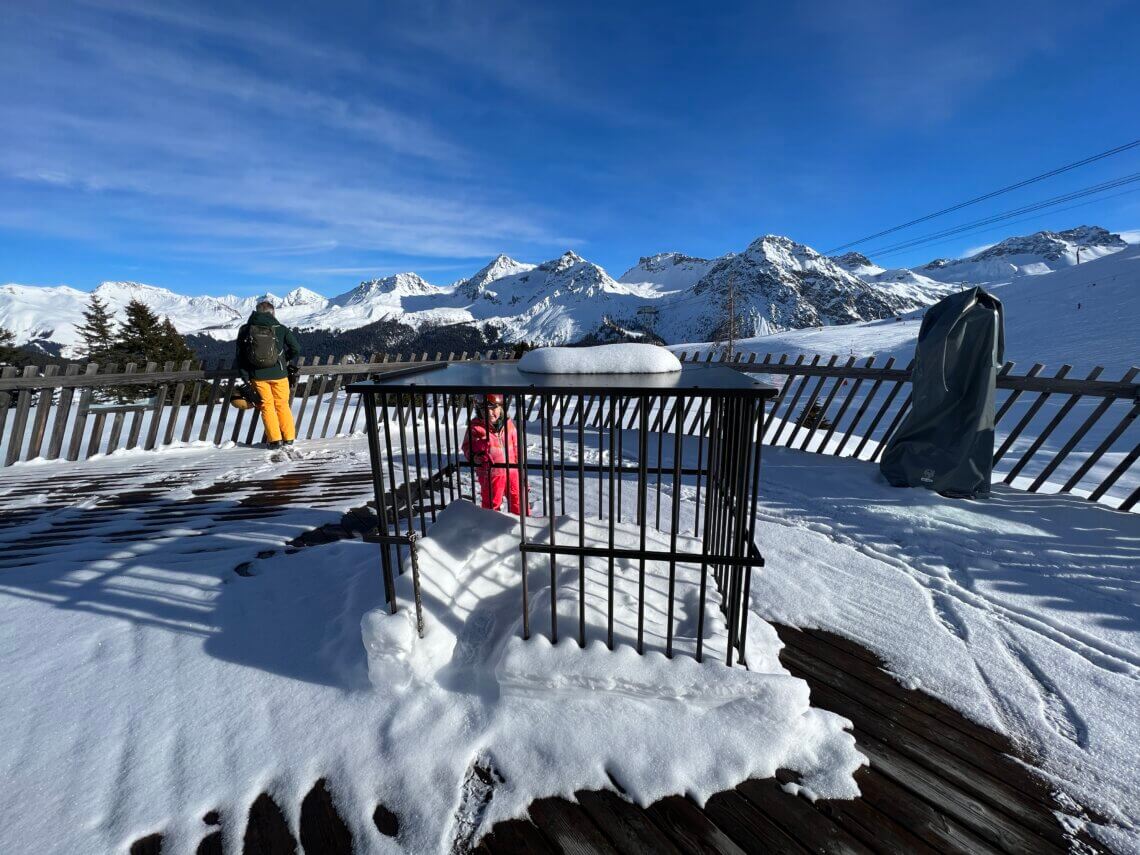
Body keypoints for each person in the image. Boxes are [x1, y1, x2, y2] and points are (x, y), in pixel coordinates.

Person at [235, 300, 302, 449]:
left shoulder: (245, 329)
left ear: (256, 312)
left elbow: (240, 356)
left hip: (257, 376)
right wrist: (284, 360)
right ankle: (289, 438)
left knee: (266, 406)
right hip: (279, 374)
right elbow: (296, 348)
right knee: (282, 405)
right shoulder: (280, 328)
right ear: (273, 313)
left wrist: (245, 377)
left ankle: (274, 440)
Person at [461, 393, 524, 514]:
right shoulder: (476, 428)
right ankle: (491, 526)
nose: (489, 413)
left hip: (512, 471)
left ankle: (521, 525)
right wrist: (475, 458)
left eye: (493, 408)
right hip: (490, 473)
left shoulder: (509, 425)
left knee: (518, 499)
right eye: (484, 410)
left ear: (501, 407)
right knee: (491, 503)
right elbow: (467, 446)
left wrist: (520, 466)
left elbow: (517, 446)